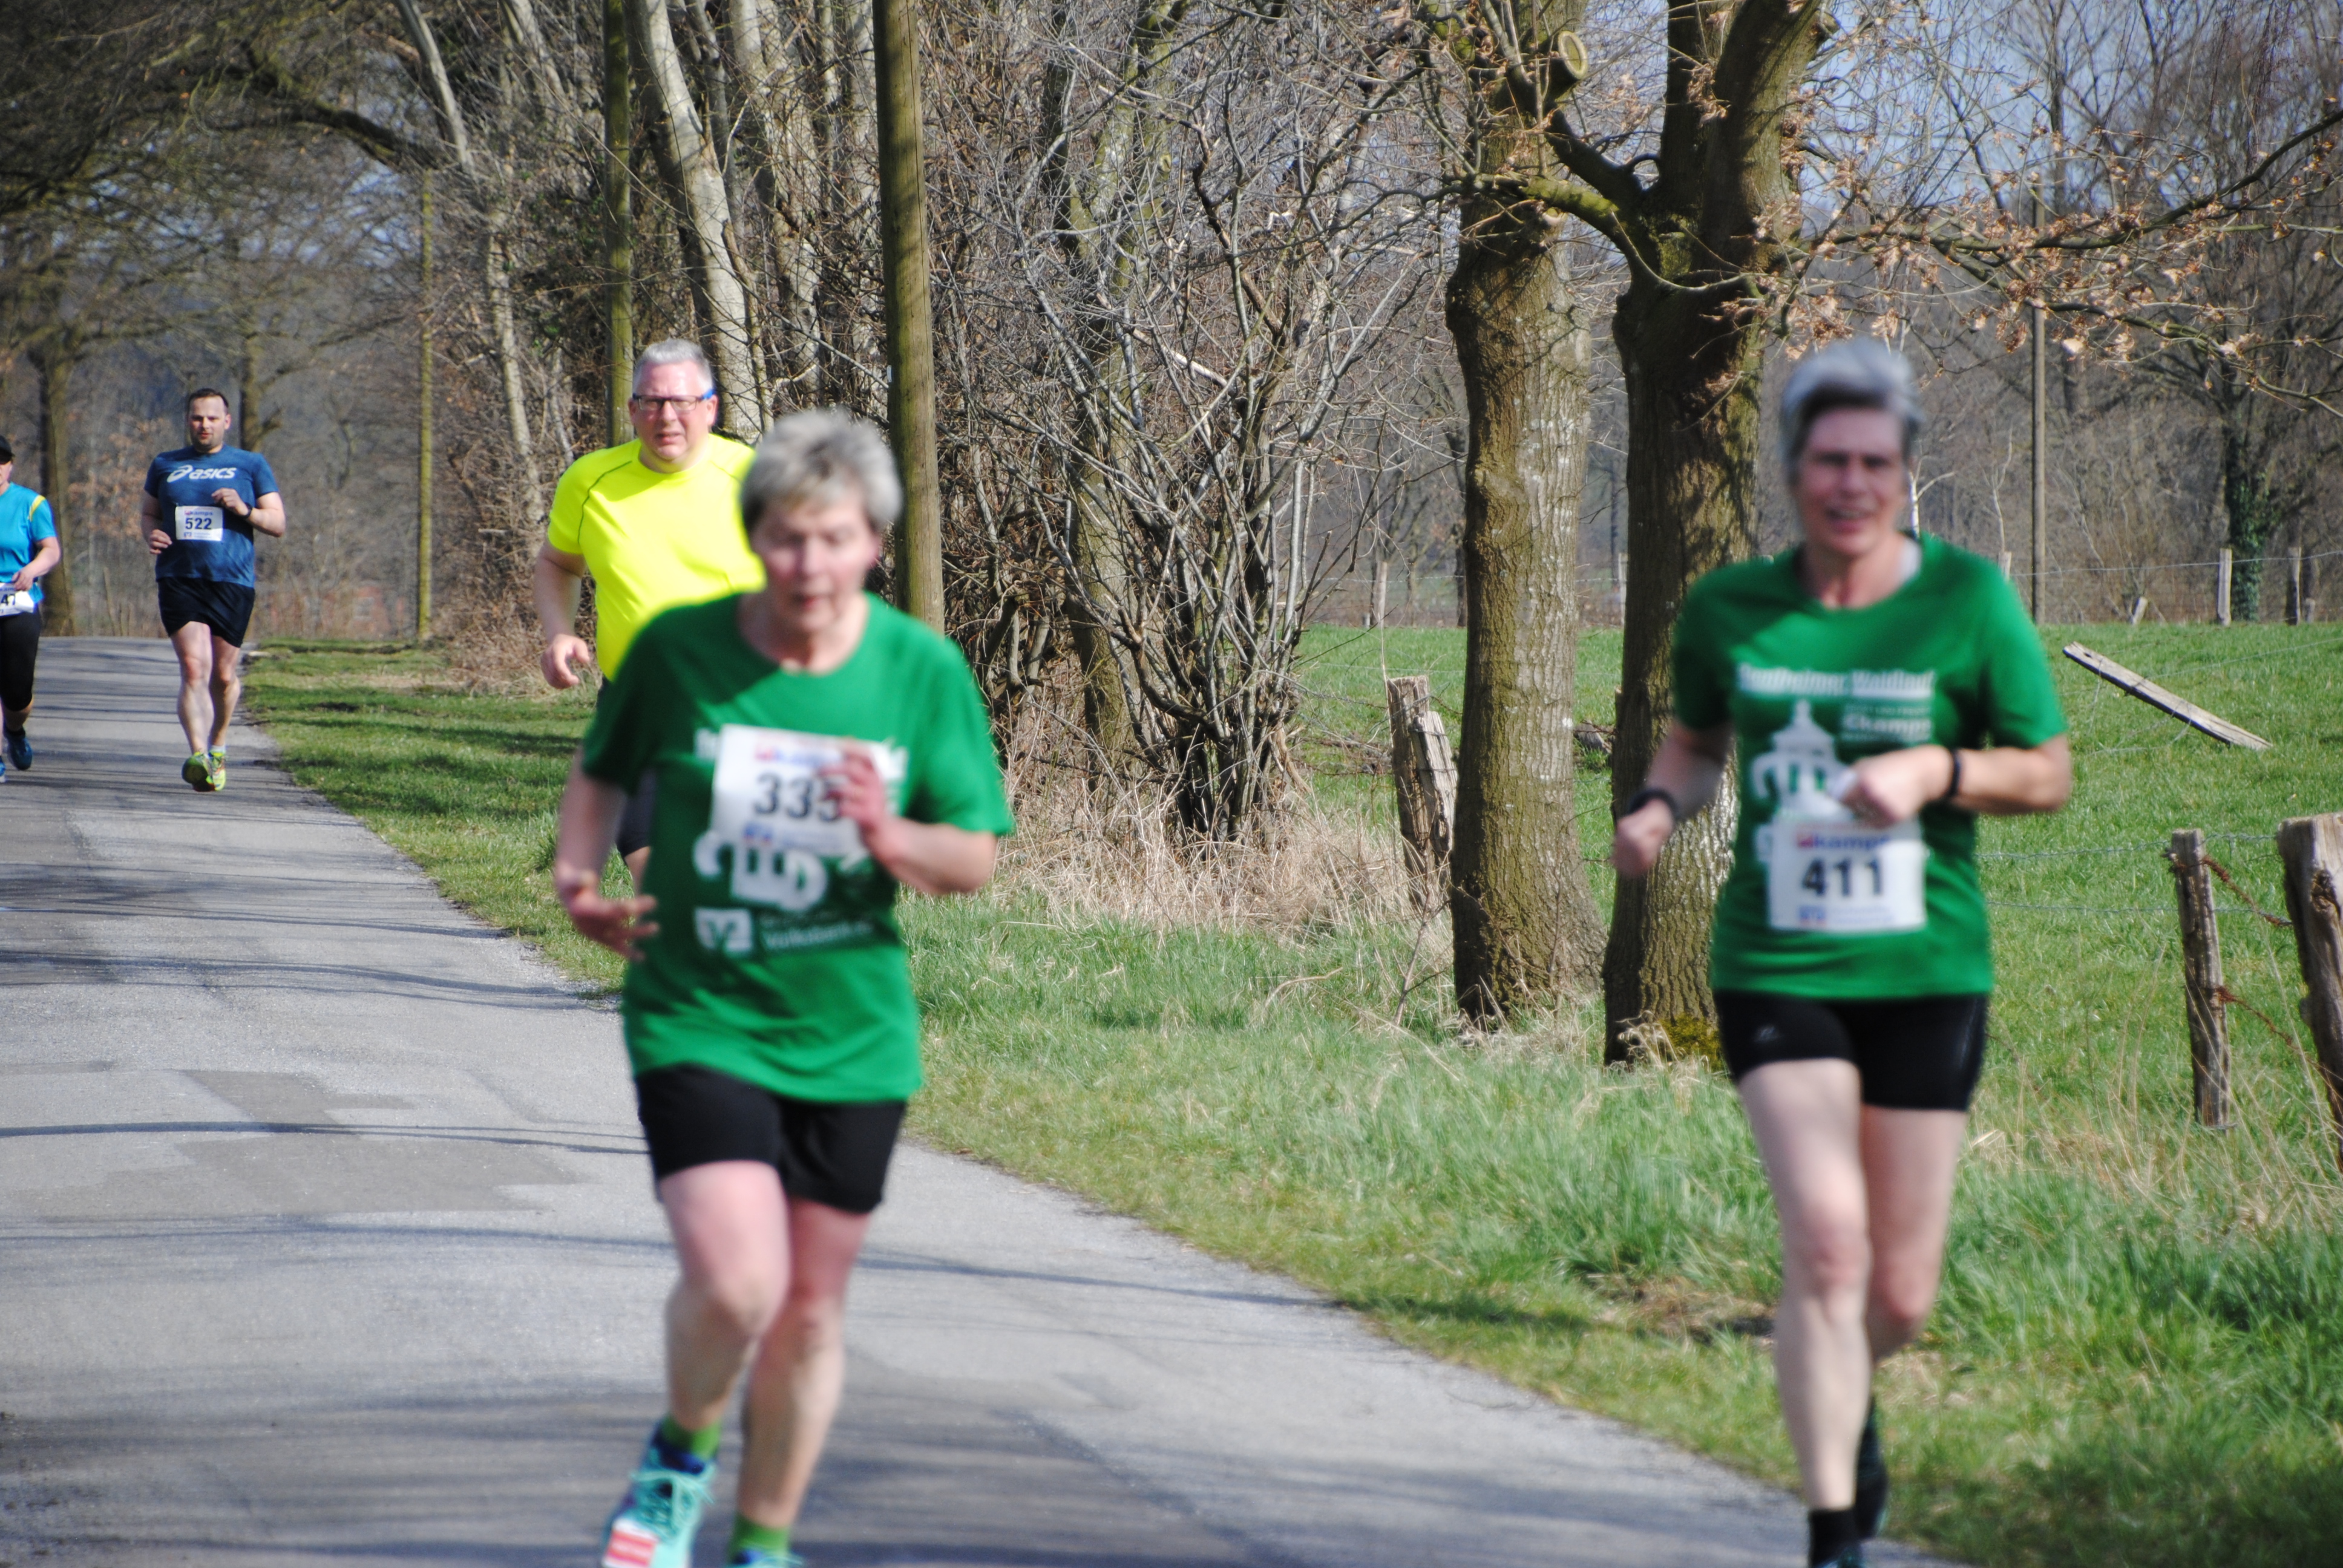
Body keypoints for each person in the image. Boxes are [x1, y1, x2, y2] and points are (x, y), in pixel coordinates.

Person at [1611, 340, 2071, 1568]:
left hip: (1927, 971)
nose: (1850, 484)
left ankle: (1847, 1398)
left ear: (1903, 469)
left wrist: (1934, 769)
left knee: (1899, 1294)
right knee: (1824, 1239)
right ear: (1793, 471)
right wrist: (1656, 806)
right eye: (1828, 461)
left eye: (1874, 461)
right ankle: (1832, 1539)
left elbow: (2047, 772)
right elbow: (1694, 740)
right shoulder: (1730, 608)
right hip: (1778, 964)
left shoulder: (1966, 601)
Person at [552, 408, 1013, 1568]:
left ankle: (762, 1544)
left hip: (850, 1028)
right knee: (737, 1283)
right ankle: (678, 1460)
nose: (810, 563)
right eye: (788, 537)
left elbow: (971, 858)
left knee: (808, 1308)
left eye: (836, 538)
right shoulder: (682, 651)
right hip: (699, 1007)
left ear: (874, 544)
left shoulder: (919, 670)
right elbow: (603, 770)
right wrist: (576, 879)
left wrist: (890, 834)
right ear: (755, 537)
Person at [539, 339, 767, 883]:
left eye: (683, 402)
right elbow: (557, 563)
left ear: (710, 407)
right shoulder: (591, 482)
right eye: (653, 402)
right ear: (633, 408)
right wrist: (559, 633)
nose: (667, 417)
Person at [141, 388, 285, 792]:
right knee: (193, 668)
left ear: (227, 421)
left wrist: (244, 509)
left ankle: (218, 744)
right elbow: (150, 512)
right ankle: (199, 756)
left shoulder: (250, 465)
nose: (204, 425)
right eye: (196, 418)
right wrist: (151, 533)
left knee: (222, 675)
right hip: (179, 577)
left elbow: (278, 523)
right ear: (188, 420)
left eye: (211, 418)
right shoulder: (166, 464)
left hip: (231, 580)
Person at [0, 435, 61, 780]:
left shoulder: (31, 503)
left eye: (2, 461)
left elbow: (50, 550)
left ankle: (15, 730)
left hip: (18, 602)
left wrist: (31, 570)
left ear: (10, 465)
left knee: (17, 690)